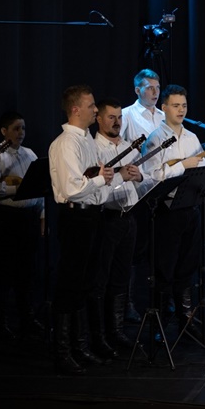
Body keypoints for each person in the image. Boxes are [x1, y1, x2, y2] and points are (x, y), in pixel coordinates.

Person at [48, 86, 131, 374]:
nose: (95, 110)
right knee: (70, 284)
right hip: (75, 218)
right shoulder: (66, 143)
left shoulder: (86, 140)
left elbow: (97, 181)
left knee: (85, 283)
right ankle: (63, 352)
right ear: (75, 110)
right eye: (91, 105)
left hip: (92, 216)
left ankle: (81, 346)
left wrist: (113, 178)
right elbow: (73, 189)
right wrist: (101, 180)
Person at [137, 85, 205, 339]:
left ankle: (185, 320)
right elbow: (151, 177)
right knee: (165, 268)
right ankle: (160, 324)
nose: (181, 110)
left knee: (187, 266)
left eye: (184, 105)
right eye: (176, 105)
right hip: (167, 211)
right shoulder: (155, 138)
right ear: (164, 107)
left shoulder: (191, 137)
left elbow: (203, 167)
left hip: (190, 208)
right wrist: (183, 166)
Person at [0, 110, 46, 340]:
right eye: (16, 128)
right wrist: (17, 187)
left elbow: (39, 188)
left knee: (26, 272)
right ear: (4, 131)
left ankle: (26, 318)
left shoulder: (30, 154)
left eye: (23, 128)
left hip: (28, 218)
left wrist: (42, 216)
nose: (21, 133)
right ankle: (1, 322)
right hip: (6, 220)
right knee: (3, 273)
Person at [92, 101, 145, 356]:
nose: (117, 122)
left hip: (129, 218)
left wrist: (139, 176)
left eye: (120, 117)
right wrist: (120, 176)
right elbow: (95, 188)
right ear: (99, 119)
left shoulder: (127, 147)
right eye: (111, 117)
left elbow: (143, 179)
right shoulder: (93, 149)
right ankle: (99, 336)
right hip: (107, 219)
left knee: (122, 277)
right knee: (101, 277)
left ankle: (117, 330)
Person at [119, 68, 163, 323]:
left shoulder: (164, 115)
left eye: (157, 87)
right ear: (137, 90)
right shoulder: (127, 115)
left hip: (161, 187)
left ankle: (159, 301)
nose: (155, 92)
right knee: (135, 250)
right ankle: (128, 303)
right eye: (149, 88)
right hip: (137, 191)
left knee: (158, 248)